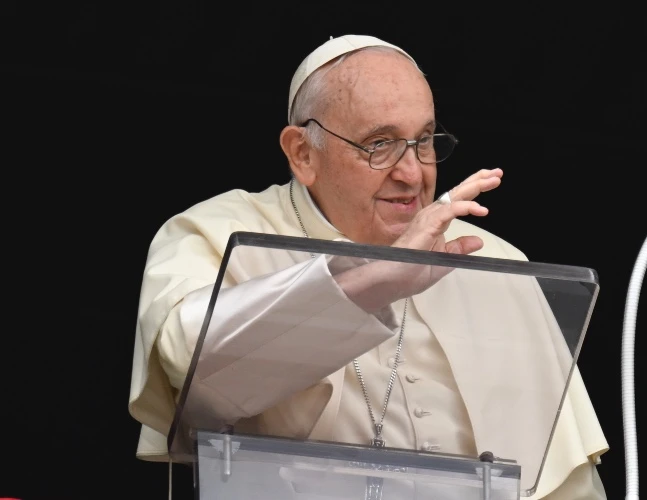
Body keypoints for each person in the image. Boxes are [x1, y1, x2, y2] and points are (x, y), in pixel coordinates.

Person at [129, 34, 609, 499]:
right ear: (302, 153)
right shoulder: (212, 232)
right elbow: (189, 364)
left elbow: (562, 482)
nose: (412, 173)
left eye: (423, 142)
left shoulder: (495, 261)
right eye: (380, 144)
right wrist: (372, 280)